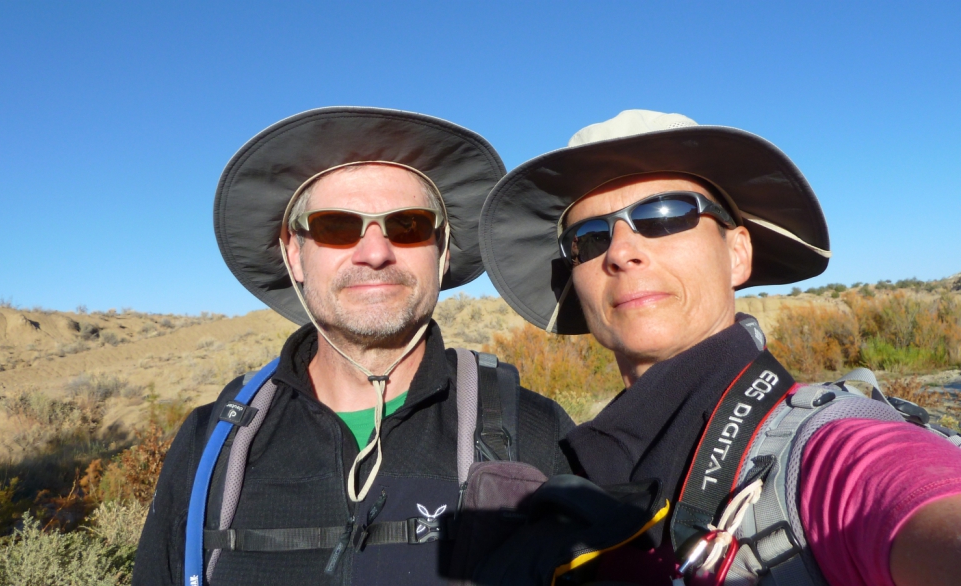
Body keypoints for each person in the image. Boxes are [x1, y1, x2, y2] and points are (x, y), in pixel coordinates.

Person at [478, 109, 961, 586]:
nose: (621, 252)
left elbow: (914, 501)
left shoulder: (833, 452)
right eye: (590, 237)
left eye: (665, 215)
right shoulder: (572, 465)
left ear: (737, 254)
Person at [133, 107, 574, 586]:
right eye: (336, 226)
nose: (375, 251)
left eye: (408, 225)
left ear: (442, 252)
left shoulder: (533, 431)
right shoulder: (212, 442)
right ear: (294, 254)